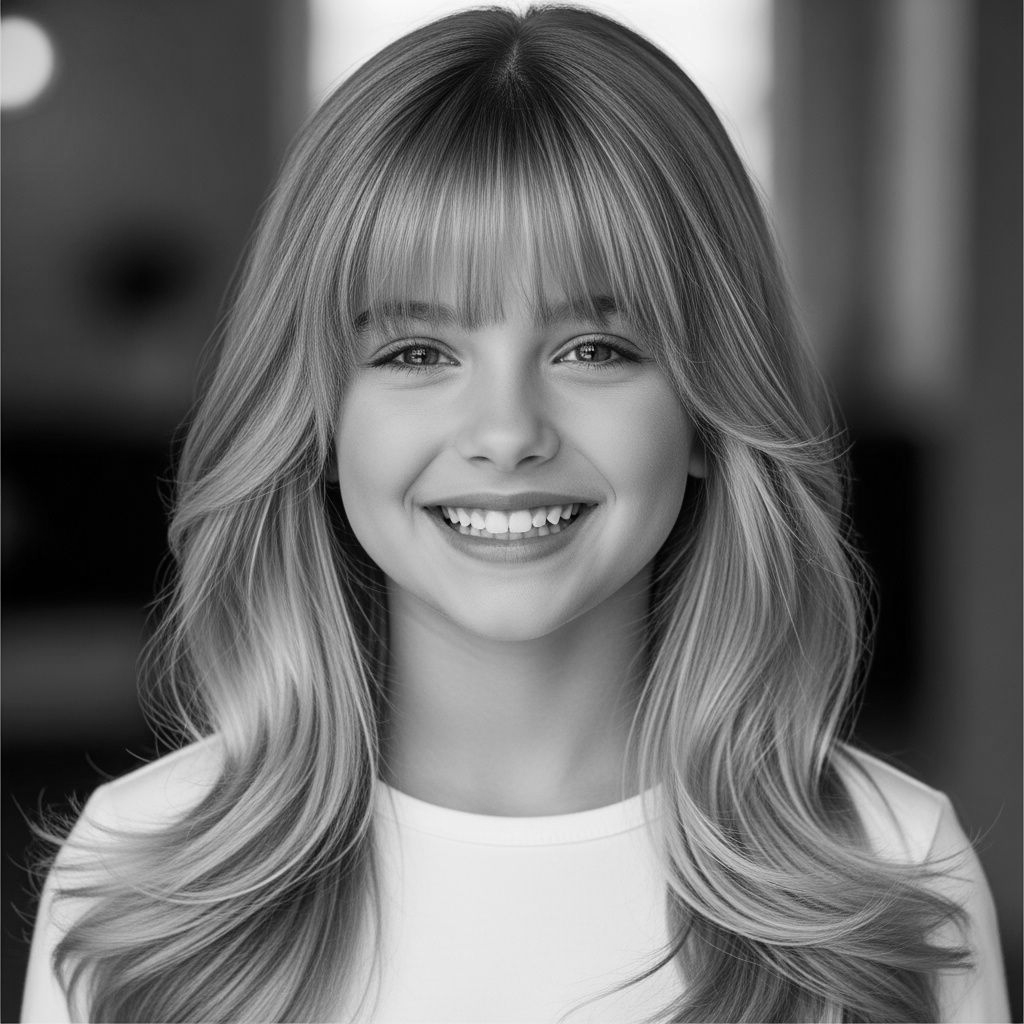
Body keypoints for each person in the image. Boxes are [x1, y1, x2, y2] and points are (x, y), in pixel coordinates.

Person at [21, 6, 1010, 1022]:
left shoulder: (888, 875)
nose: (506, 430)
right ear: (316, 417)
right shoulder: (143, 881)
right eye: (417, 353)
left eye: (594, 349)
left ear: (710, 410)